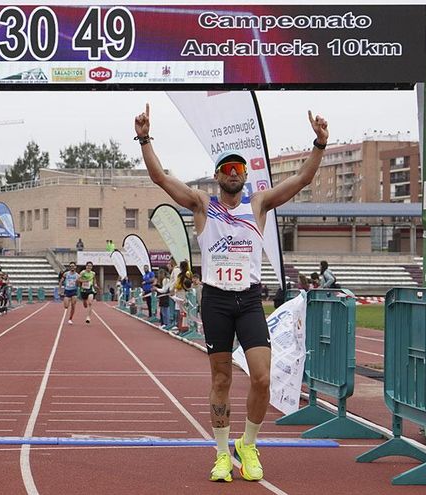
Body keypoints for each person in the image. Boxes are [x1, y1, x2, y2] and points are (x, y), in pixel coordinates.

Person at [136, 103, 329, 482]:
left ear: (245, 177)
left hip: (249, 299)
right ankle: (222, 453)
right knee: (221, 378)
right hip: (217, 301)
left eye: (239, 169)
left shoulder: (258, 205)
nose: (233, 173)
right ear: (217, 176)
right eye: (227, 169)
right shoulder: (202, 205)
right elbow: (160, 177)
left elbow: (302, 180)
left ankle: (249, 444)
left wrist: (319, 145)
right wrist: (144, 138)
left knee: (261, 377)